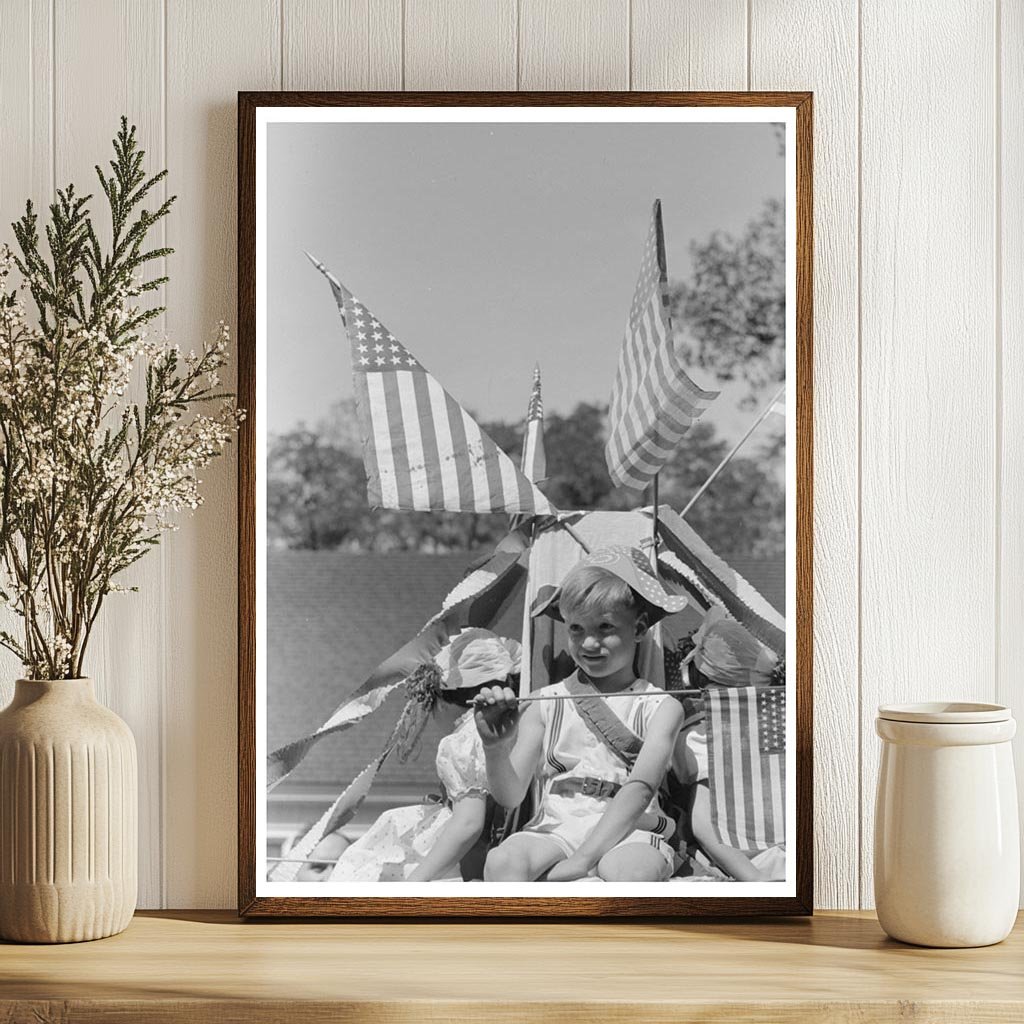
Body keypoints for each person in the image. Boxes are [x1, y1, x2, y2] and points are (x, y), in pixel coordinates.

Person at [474, 546, 689, 883]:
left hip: (632, 829)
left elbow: (642, 789)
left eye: (605, 627)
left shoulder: (661, 706)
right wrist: (495, 748)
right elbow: (511, 795)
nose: (588, 643)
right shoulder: (546, 702)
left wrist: (582, 860)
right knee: (502, 861)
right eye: (576, 629)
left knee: (630, 873)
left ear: (639, 627)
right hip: (557, 827)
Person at [298, 629, 520, 883]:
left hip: (456, 859)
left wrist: (415, 883)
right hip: (491, 847)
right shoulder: (511, 727)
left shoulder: (462, 740)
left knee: (366, 862)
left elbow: (468, 823)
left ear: (443, 702)